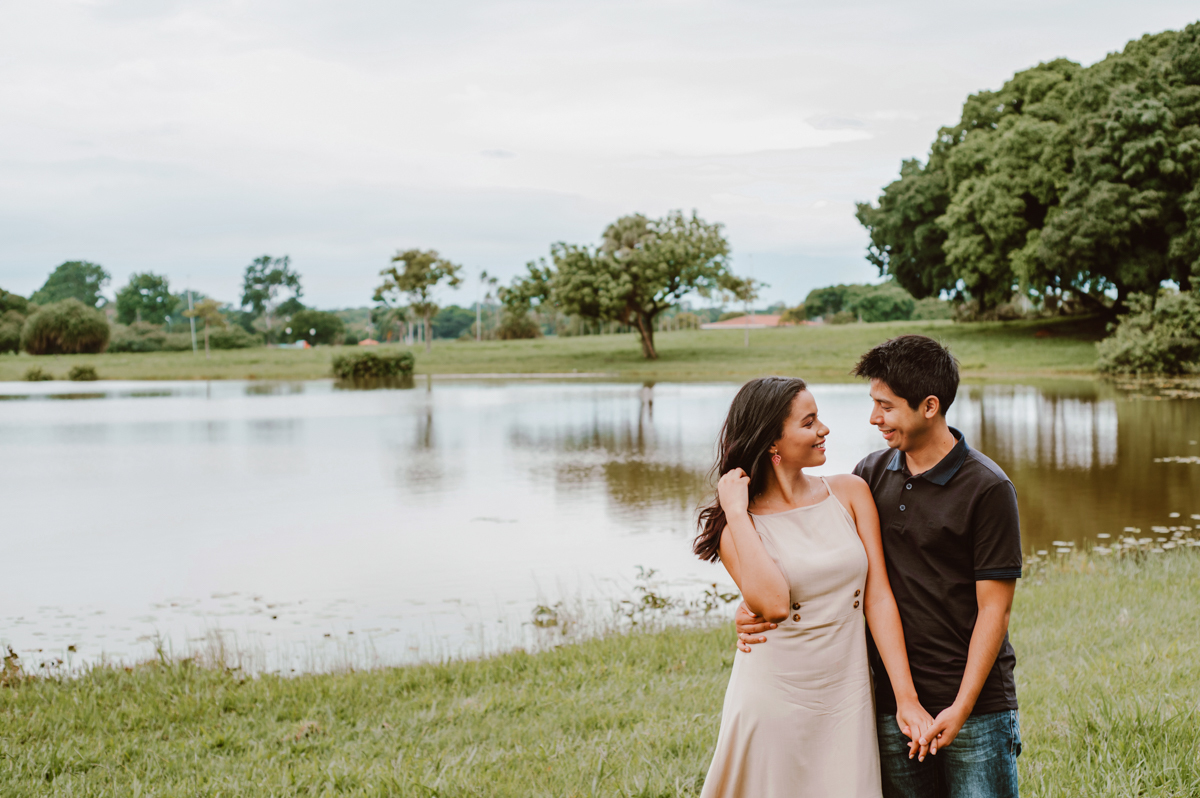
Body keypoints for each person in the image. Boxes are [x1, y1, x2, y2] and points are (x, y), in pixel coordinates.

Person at [736, 335, 1024, 798]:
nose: (874, 418)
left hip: (974, 708)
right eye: (873, 403)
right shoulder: (869, 474)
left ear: (929, 406)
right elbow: (833, 568)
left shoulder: (987, 488)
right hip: (890, 702)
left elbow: (996, 610)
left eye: (886, 407)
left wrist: (962, 707)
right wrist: (749, 606)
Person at [694, 376, 934, 798]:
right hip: (774, 699)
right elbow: (773, 604)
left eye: (818, 418)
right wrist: (736, 510)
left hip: (847, 694)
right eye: (809, 423)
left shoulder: (850, 493)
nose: (824, 429)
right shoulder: (736, 528)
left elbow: (878, 599)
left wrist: (906, 697)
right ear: (772, 441)